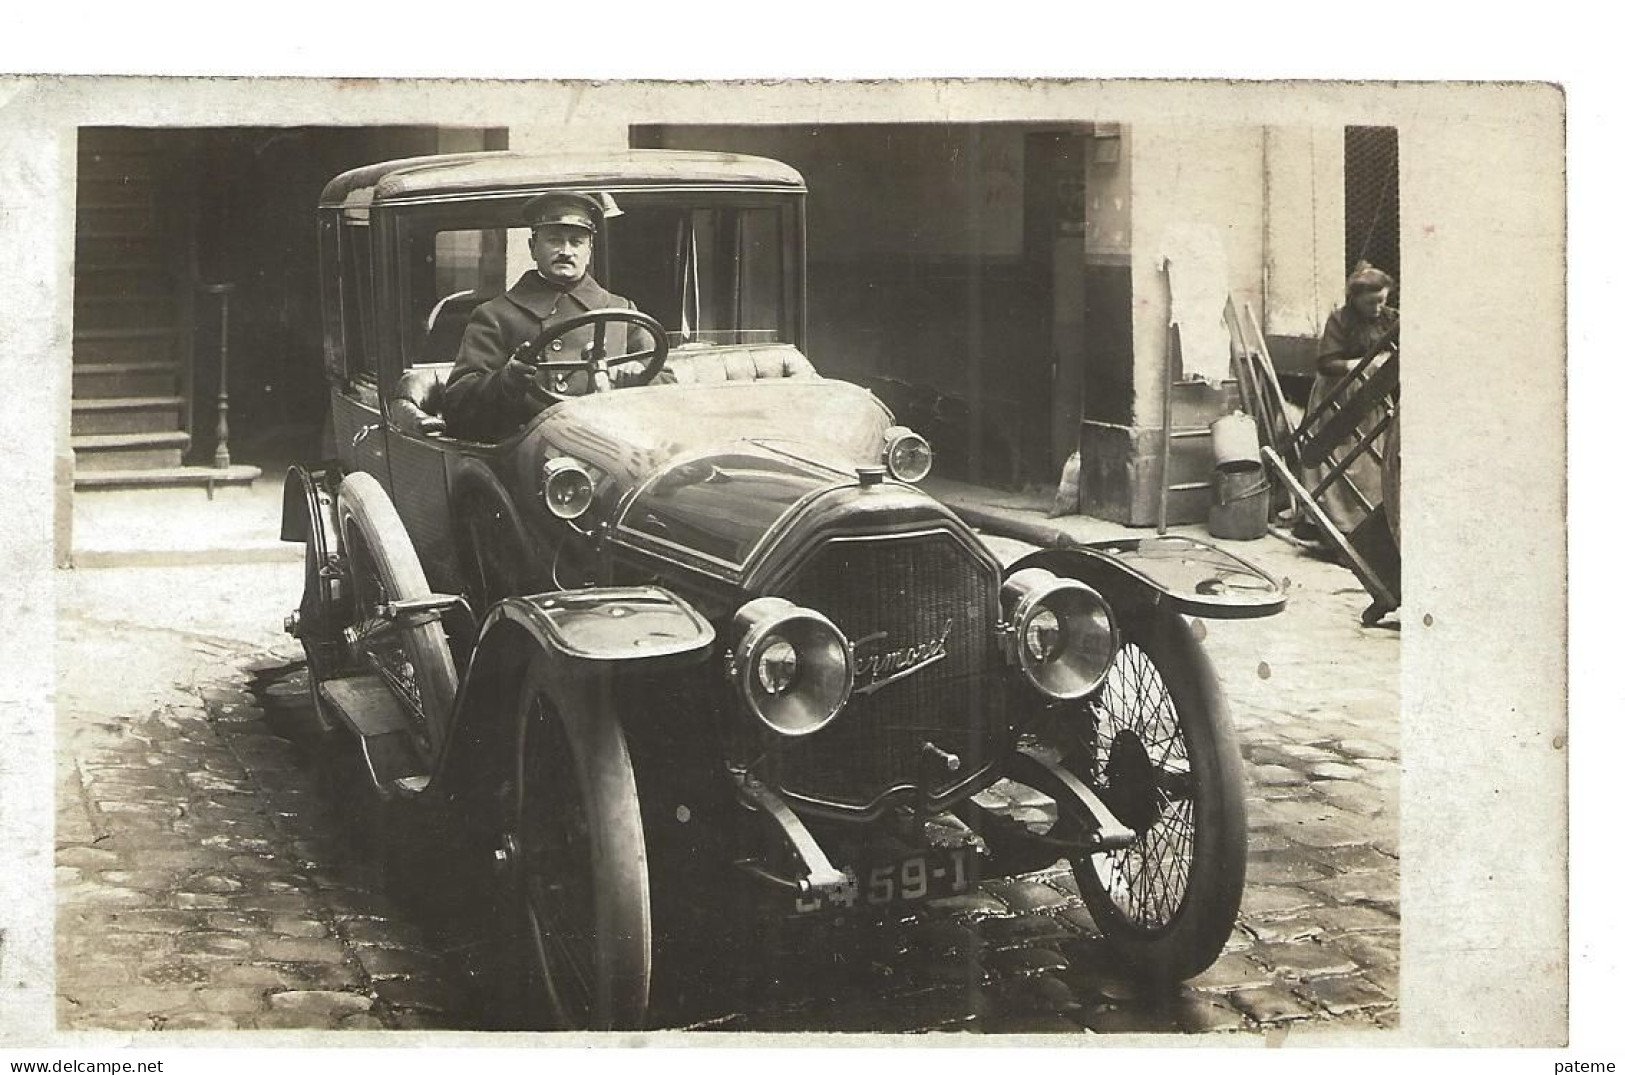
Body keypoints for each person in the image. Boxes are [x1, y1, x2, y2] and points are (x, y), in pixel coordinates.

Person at [442, 192, 670, 440]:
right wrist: (505, 380)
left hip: (615, 447)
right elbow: (457, 406)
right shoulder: (495, 315)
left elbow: (668, 386)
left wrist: (638, 376)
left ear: (589, 250)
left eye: (576, 241)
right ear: (533, 248)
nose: (565, 251)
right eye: (554, 240)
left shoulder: (621, 310)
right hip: (533, 458)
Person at [1297, 262, 1399, 537]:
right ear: (1354, 299)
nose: (1377, 309)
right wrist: (1365, 365)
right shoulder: (1340, 320)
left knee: (1369, 460)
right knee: (1337, 457)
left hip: (1373, 396)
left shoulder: (1390, 319)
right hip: (1338, 395)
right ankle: (1329, 525)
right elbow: (1326, 363)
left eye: (1382, 301)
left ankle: (1367, 524)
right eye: (1370, 303)